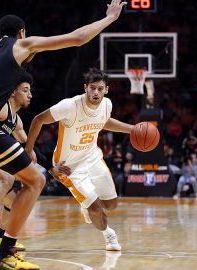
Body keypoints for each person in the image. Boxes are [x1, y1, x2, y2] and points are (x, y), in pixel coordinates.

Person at [0, 2, 126, 269]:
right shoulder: (21, 45)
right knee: (35, 180)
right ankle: (5, 253)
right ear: (22, 33)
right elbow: (77, 38)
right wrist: (109, 18)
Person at [26, 68, 134, 251]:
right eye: (92, 88)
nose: (96, 93)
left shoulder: (107, 104)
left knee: (112, 205)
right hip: (69, 167)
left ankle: (87, 204)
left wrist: (132, 129)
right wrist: (29, 150)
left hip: (92, 158)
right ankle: (109, 235)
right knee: (95, 208)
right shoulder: (69, 106)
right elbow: (38, 120)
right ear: (85, 88)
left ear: (106, 89)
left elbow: (103, 122)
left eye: (100, 89)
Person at [0, 73, 70, 251]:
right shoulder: (0, 108)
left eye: (30, 91)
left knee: (14, 202)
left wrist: (50, 168)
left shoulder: (16, 120)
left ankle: (0, 239)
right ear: (13, 91)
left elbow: (29, 149)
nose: (30, 95)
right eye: (25, 90)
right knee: (8, 178)